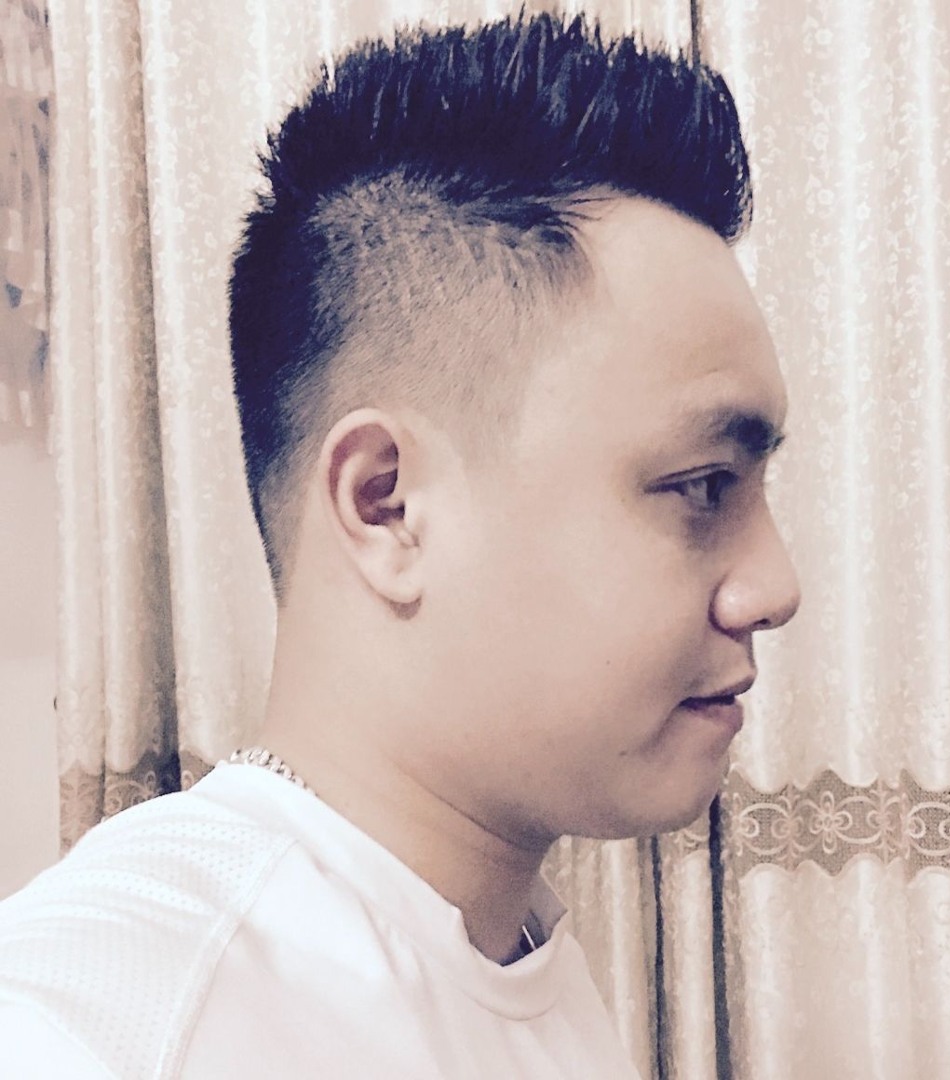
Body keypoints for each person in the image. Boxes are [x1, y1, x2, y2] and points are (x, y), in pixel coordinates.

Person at [0, 11, 799, 1078]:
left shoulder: (517, 955)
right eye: (701, 487)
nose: (774, 587)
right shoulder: (95, 1023)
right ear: (386, 506)